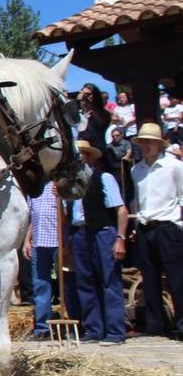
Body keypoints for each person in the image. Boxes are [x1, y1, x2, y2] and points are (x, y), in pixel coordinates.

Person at [69, 140, 128, 345]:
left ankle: (115, 331)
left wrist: (120, 238)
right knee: (85, 281)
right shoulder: (72, 182)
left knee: (109, 280)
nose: (79, 158)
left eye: (83, 154)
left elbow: (121, 209)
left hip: (103, 232)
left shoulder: (104, 178)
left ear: (91, 157)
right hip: (80, 232)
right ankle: (94, 328)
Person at [129, 122, 183, 338]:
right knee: (149, 279)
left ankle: (181, 325)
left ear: (159, 145)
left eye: (149, 142)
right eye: (142, 142)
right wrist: (135, 226)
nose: (145, 146)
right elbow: (138, 202)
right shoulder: (136, 169)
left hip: (168, 226)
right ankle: (155, 325)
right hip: (145, 226)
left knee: (177, 279)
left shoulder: (174, 166)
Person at [22, 184, 61, 340]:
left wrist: (59, 198)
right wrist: (27, 240)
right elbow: (33, 217)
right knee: (40, 286)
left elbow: (65, 216)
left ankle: (75, 321)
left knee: (67, 285)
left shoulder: (58, 188)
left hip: (57, 242)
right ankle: (42, 328)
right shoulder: (35, 190)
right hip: (39, 243)